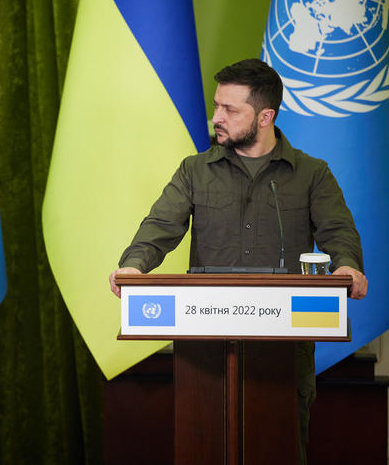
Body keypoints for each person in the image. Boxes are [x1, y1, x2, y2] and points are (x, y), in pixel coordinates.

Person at [107, 58, 367, 464]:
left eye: (229, 110)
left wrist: (347, 265)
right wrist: (134, 266)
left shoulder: (311, 175)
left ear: (265, 116)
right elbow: (160, 225)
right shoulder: (196, 170)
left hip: (285, 347)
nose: (216, 118)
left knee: (278, 447)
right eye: (216, 106)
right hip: (204, 349)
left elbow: (338, 234)